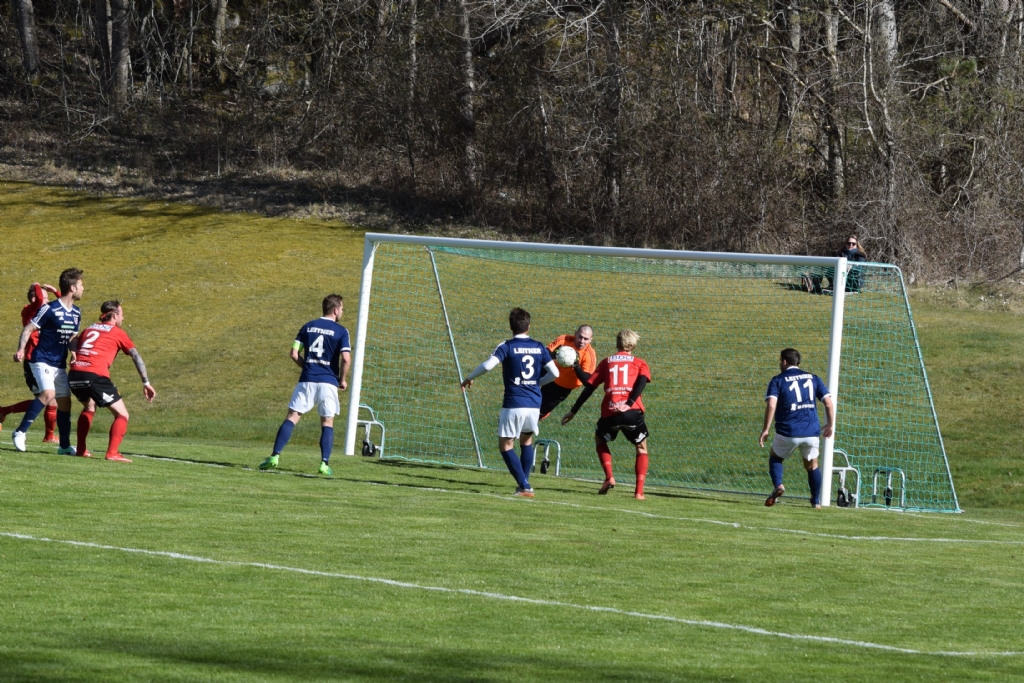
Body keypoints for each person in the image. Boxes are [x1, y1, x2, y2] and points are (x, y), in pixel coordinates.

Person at [461, 307, 560, 497]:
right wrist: (537, 383)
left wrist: (469, 377)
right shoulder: (539, 347)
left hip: (514, 402)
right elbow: (555, 373)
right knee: (526, 440)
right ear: (528, 326)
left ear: (510, 326)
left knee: (506, 445)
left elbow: (488, 365)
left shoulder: (506, 346)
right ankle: (524, 484)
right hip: (534, 403)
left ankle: (524, 485)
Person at [260, 294, 351, 476]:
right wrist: (342, 379)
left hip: (307, 380)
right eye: (341, 309)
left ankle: (274, 456)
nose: (342, 312)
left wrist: (308, 367)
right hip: (328, 382)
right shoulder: (342, 331)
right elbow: (346, 359)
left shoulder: (307, 326)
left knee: (292, 417)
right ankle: (324, 463)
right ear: (335, 310)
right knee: (327, 422)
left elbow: (294, 353)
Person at [561, 330, 652, 500]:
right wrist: (629, 403)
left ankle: (609, 476)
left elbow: (589, 387)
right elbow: (641, 383)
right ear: (633, 345)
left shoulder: (606, 362)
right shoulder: (640, 363)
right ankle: (639, 493)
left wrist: (574, 410)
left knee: (599, 439)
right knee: (641, 447)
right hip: (632, 412)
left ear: (617, 343)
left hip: (610, 412)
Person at [68, 301, 156, 461]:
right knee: (122, 414)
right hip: (94, 374)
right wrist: (146, 382)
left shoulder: (90, 328)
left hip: (74, 374)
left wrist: (73, 353)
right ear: (115, 315)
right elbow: (136, 356)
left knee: (89, 406)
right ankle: (112, 453)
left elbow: (73, 339)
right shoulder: (117, 332)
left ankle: (81, 450)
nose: (123, 318)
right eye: (122, 314)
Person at [11, 268, 84, 454]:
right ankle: (20, 432)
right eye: (81, 285)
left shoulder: (76, 313)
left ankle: (64, 446)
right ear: (72, 288)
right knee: (48, 393)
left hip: (59, 364)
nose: (83, 288)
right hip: (41, 359)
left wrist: (74, 352)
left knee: (65, 403)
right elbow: (28, 329)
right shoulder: (49, 309)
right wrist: (20, 349)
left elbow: (72, 337)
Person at [758, 348, 836, 508]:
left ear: (784, 361)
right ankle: (816, 501)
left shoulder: (778, 380)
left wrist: (766, 429)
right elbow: (828, 403)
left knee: (775, 457)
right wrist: (830, 425)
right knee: (812, 466)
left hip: (788, 431)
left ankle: (779, 485)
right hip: (811, 432)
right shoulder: (813, 378)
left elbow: (771, 405)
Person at [0, 282, 59, 442]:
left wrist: (55, 292)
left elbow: (62, 306)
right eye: (45, 298)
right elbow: (39, 298)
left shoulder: (43, 312)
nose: (47, 301)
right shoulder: (31, 310)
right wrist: (36, 285)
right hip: (33, 361)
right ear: (34, 299)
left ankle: (4, 411)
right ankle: (48, 436)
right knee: (48, 400)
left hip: (45, 360)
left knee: (47, 400)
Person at [539, 325, 597, 421]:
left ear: (591, 340)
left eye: (586, 339)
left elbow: (587, 381)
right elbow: (545, 354)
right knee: (525, 402)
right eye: (580, 337)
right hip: (548, 374)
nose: (582, 341)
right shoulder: (564, 339)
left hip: (561, 388)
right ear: (575, 334)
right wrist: (554, 354)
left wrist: (576, 367)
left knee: (538, 414)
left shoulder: (589, 354)